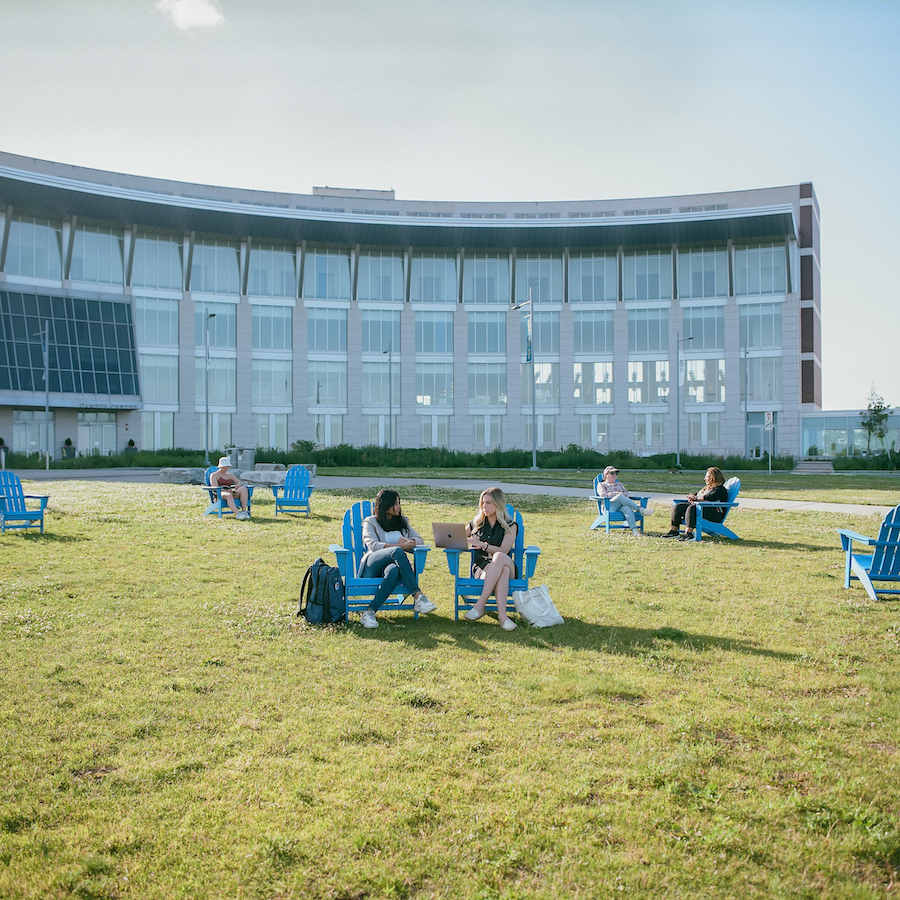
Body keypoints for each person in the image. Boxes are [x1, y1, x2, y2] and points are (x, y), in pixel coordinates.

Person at [358, 489, 436, 628]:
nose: (398, 506)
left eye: (399, 503)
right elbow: (373, 545)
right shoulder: (370, 522)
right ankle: (418, 595)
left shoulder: (402, 521)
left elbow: (419, 539)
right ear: (386, 506)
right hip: (372, 564)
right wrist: (400, 546)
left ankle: (369, 612)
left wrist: (410, 541)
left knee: (394, 570)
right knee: (397, 551)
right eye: (395, 504)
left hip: (391, 565)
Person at [463, 487, 519, 631]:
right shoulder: (476, 525)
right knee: (503, 572)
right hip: (483, 569)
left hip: (506, 562)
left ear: (498, 504)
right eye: (482, 503)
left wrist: (483, 545)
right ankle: (503, 617)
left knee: (499, 557)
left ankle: (480, 605)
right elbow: (457, 538)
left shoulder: (510, 526)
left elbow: (503, 551)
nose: (484, 506)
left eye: (488, 503)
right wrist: (467, 541)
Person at [663, 466, 729, 541]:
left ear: (713, 478)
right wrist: (692, 497)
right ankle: (674, 532)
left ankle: (688, 534)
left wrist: (696, 499)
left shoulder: (720, 490)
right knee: (679, 506)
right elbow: (697, 495)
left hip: (715, 514)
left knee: (693, 508)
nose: (705, 479)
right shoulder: (706, 489)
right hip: (703, 510)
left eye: (706, 477)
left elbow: (709, 497)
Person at [596, 465, 654, 535]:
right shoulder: (601, 485)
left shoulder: (619, 484)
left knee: (627, 508)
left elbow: (626, 493)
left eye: (616, 473)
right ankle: (640, 509)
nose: (614, 475)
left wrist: (623, 494)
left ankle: (634, 530)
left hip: (619, 506)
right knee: (620, 496)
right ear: (606, 475)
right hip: (608, 507)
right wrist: (616, 494)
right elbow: (602, 495)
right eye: (612, 473)